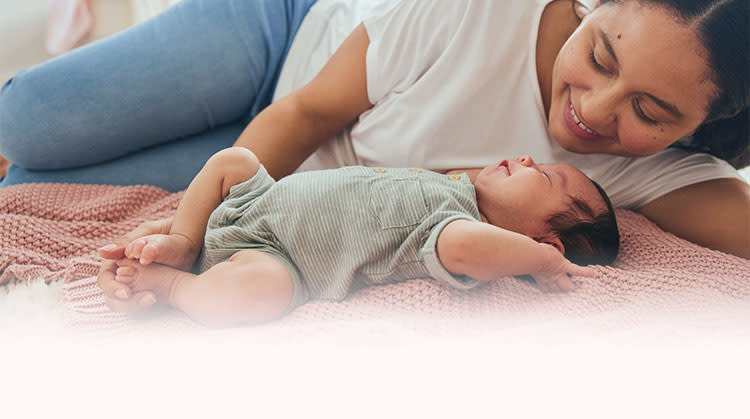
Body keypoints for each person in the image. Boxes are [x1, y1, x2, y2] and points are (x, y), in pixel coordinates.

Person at [0, 0, 747, 316]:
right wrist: (195, 235)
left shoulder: (664, 174)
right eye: (601, 53)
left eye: (651, 112)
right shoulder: (481, 13)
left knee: (30, 184)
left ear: (708, 124)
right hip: (287, 44)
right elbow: (305, 112)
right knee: (26, 121)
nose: (596, 108)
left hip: (290, 182)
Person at [107, 147, 619, 327]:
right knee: (233, 162)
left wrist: (540, 264)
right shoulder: (452, 187)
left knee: (261, 292)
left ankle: (175, 286)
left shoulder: (460, 229)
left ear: (542, 242)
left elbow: (467, 250)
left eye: (548, 178)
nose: (529, 159)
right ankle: (185, 240)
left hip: (271, 257)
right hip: (251, 202)